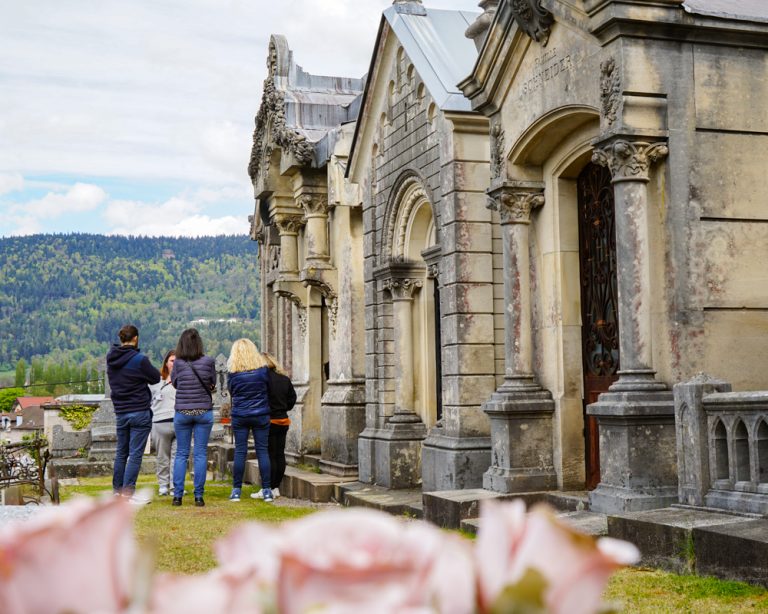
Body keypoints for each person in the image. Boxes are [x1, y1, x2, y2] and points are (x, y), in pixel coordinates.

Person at [106, 324, 161, 503]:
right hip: (139, 411)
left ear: (121, 338)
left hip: (121, 412)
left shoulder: (111, 359)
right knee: (135, 454)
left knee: (121, 453)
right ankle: (128, 493)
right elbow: (155, 377)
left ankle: (117, 491)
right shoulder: (139, 360)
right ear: (135, 338)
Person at [171, 328, 215, 507]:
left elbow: (175, 383)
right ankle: (198, 496)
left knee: (181, 454)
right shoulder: (209, 361)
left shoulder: (178, 363)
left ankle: (177, 496)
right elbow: (212, 383)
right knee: (200, 454)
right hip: (203, 411)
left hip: (183, 411)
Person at [226, 338, 273, 502]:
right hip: (261, 413)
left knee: (240, 451)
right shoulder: (263, 371)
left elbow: (232, 392)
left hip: (240, 415)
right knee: (262, 451)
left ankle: (236, 490)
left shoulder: (233, 374)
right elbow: (268, 389)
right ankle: (267, 490)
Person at [252, 352, 296, 500]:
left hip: (268, 420)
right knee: (279, 454)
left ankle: (268, 487)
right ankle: (276, 487)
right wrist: (283, 408)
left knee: (269, 455)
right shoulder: (284, 379)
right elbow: (292, 399)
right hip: (283, 420)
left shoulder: (261, 380)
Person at [150, 350, 176, 496]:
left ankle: (175, 486)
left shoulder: (184, 381)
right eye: (172, 360)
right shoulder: (156, 382)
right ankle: (163, 485)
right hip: (160, 423)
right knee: (162, 456)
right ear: (166, 363)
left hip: (179, 422)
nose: (174, 363)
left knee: (178, 457)